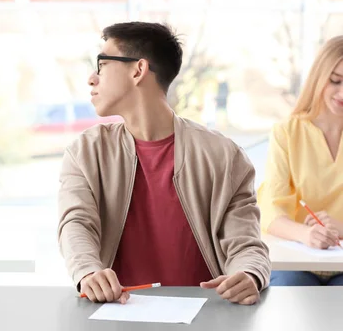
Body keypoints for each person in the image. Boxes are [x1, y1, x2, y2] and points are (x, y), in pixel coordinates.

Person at [57, 22, 270, 306]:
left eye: (102, 64)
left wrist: (249, 274)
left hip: (205, 314)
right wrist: (88, 272)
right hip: (117, 311)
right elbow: (76, 224)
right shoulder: (85, 152)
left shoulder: (224, 156)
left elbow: (246, 244)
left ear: (138, 70)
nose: (91, 78)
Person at [259, 35, 343, 286]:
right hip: (296, 259)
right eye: (335, 81)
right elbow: (272, 212)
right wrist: (307, 234)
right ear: (319, 77)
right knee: (290, 292)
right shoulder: (287, 132)